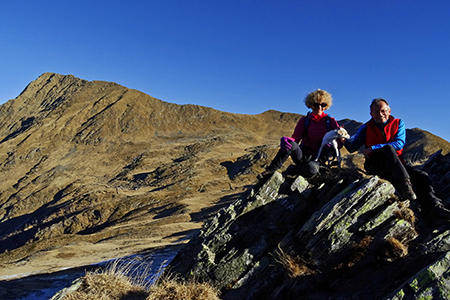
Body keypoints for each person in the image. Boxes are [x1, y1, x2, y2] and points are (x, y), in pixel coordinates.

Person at [344, 98, 450, 220]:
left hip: (397, 165)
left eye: (383, 111)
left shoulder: (398, 123)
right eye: (376, 112)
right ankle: (405, 185)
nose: (380, 114)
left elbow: (399, 143)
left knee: (421, 176)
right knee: (388, 149)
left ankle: (435, 208)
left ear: (389, 111)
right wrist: (343, 140)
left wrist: (373, 147)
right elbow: (352, 148)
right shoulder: (365, 128)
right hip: (376, 166)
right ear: (371, 114)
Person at [258, 89, 341, 181]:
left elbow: (339, 143)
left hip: (318, 160)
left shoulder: (331, 122)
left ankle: (293, 170)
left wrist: (336, 144)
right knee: (290, 144)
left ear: (326, 106)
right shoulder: (304, 121)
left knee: (312, 169)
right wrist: (287, 140)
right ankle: (269, 171)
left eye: (323, 104)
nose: (319, 107)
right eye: (316, 104)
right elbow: (295, 139)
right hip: (302, 155)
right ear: (310, 105)